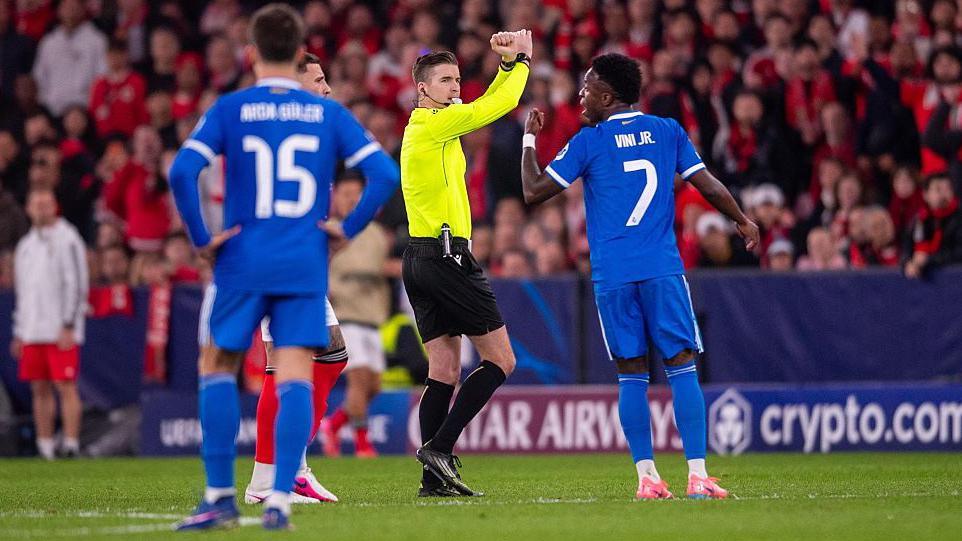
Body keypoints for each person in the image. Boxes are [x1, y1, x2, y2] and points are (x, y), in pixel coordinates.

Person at [168, 4, 398, 531]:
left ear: (250, 55)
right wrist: (348, 228)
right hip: (302, 260)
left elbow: (183, 172)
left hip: (242, 259)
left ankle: (220, 497)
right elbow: (382, 174)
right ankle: (278, 501)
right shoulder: (328, 115)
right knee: (296, 374)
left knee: (218, 370)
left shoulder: (231, 108)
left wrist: (204, 240)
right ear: (298, 53)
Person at [520, 53, 759, 500]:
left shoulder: (587, 141)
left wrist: (529, 141)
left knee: (632, 372)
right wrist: (742, 221)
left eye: (588, 88)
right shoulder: (668, 131)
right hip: (661, 269)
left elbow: (533, 192)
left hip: (612, 275)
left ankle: (647, 477)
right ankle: (698, 475)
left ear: (608, 97)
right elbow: (705, 183)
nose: (581, 96)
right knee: (682, 365)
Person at [399, 31, 531, 497]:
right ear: (423, 90)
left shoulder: (432, 126)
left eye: (457, 79)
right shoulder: (434, 126)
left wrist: (505, 68)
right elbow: (492, 109)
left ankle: (432, 481)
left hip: (418, 258)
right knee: (502, 360)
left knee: (443, 370)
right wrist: (520, 63)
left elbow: (483, 104)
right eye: (446, 81)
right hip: (447, 258)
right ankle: (441, 447)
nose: (456, 88)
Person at [244, 51, 346, 506]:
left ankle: (294, 469)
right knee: (286, 366)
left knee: (329, 356)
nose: (326, 88)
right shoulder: (278, 130)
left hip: (295, 261)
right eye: (319, 80)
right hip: (276, 260)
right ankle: (267, 480)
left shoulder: (308, 131)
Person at [11, 188, 88, 460]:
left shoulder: (68, 239)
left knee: (65, 384)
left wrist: (68, 323)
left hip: (60, 329)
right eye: (36, 204)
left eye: (46, 204)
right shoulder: (25, 246)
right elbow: (23, 293)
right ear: (29, 209)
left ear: (55, 206)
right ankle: (45, 447)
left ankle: (70, 443)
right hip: (33, 329)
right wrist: (20, 331)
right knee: (38, 387)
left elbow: (77, 283)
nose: (41, 210)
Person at [323, 173, 393, 459]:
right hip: (344, 316)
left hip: (371, 317)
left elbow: (378, 270)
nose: (352, 198)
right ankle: (363, 445)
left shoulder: (375, 233)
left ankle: (334, 424)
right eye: (345, 193)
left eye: (357, 193)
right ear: (336, 198)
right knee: (359, 381)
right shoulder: (329, 230)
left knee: (374, 385)